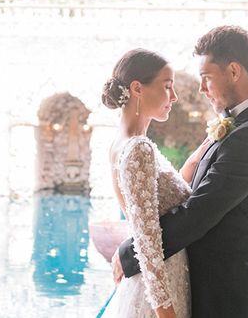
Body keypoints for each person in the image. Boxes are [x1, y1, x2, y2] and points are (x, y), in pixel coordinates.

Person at [113, 26, 248, 318]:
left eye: (206, 78)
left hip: (231, 296)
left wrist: (128, 254)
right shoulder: (246, 124)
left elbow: (198, 214)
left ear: (234, 71)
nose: (200, 89)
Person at [99, 48, 210, 318]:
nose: (174, 97)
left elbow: (159, 200)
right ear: (138, 88)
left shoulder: (122, 143)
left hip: (155, 281)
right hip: (161, 290)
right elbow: (148, 239)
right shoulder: (139, 149)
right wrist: (165, 311)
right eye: (167, 87)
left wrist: (204, 150)